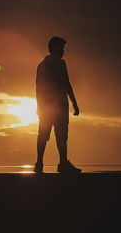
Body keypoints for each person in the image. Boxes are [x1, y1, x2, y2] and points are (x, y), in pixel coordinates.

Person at [34, 36, 81, 174]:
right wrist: (74, 103)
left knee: (43, 135)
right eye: (62, 48)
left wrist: (39, 105)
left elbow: (38, 87)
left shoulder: (41, 65)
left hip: (45, 106)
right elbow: (66, 83)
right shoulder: (59, 63)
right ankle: (63, 162)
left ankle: (39, 163)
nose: (63, 51)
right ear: (54, 48)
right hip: (58, 105)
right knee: (60, 135)